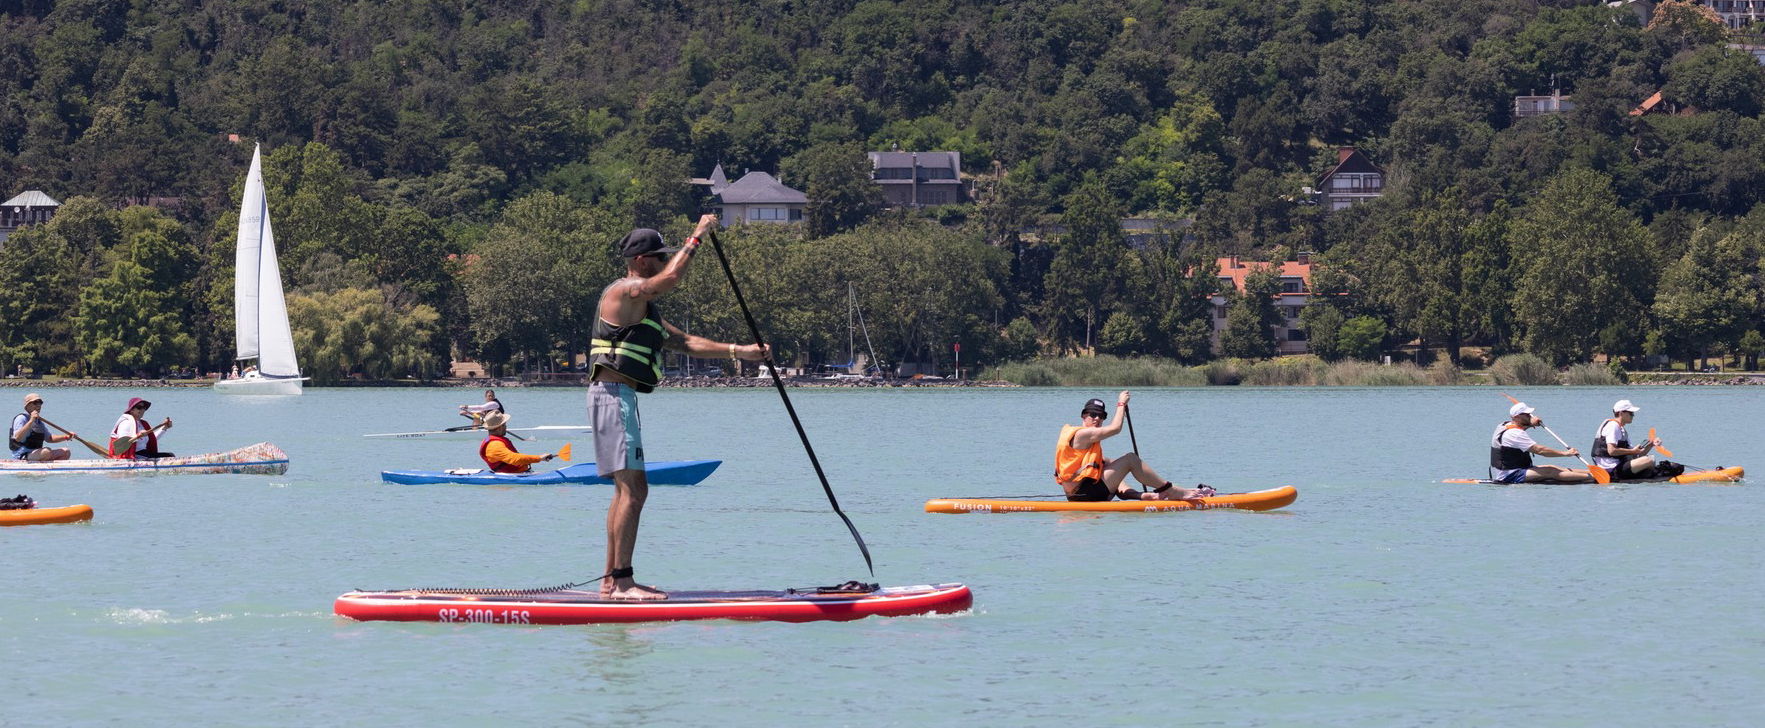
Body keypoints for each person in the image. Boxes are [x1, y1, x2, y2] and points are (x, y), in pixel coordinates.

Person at [589, 215, 768, 600]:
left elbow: (686, 343)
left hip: (620, 398)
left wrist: (742, 352)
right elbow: (669, 280)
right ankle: (622, 583)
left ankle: (611, 579)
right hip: (612, 396)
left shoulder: (644, 312)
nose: (663, 263)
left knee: (625, 492)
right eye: (658, 257)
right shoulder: (625, 291)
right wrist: (697, 237)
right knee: (635, 491)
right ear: (640, 261)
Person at [1053, 392, 1216, 502]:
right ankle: (1170, 490)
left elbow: (1110, 468)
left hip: (1085, 494)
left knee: (1107, 463)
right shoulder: (1082, 434)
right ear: (1083, 416)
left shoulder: (1086, 442)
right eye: (1092, 415)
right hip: (1085, 495)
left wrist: (1140, 494)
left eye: (1101, 416)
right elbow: (1116, 428)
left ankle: (1145, 495)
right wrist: (1121, 404)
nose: (1097, 419)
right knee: (1130, 459)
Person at [1489, 402, 1589, 483]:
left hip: (1508, 470)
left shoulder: (1504, 425)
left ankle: (1592, 473)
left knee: (1553, 467)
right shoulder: (1515, 434)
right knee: (1550, 471)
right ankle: (1593, 478)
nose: (1530, 416)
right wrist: (1566, 453)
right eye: (1527, 415)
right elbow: (1540, 450)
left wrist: (1529, 424)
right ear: (1517, 417)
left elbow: (1519, 428)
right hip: (1508, 475)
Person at [1591, 399, 1681, 480]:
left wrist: (1651, 444)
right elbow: (1612, 451)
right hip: (1610, 470)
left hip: (1617, 467)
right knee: (1650, 459)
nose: (1633, 415)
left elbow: (1637, 455)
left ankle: (1651, 474)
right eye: (1631, 413)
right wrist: (1633, 451)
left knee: (1648, 460)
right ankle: (1654, 475)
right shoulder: (1613, 426)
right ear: (1621, 413)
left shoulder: (1622, 430)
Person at [478, 412, 556, 473]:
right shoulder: (494, 445)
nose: (506, 427)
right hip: (510, 480)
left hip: (517, 473)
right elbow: (514, 459)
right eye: (504, 425)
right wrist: (539, 458)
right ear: (499, 428)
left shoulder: (496, 441)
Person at [8, 393, 74, 461]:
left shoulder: (39, 422)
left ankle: (48, 470)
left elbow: (49, 438)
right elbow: (17, 438)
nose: (38, 405)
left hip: (37, 454)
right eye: (35, 402)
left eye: (40, 403)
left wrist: (66, 437)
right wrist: (31, 420)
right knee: (46, 452)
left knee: (66, 452)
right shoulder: (21, 418)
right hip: (22, 455)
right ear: (27, 405)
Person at [109, 397, 173, 459]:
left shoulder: (143, 424)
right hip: (133, 455)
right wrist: (138, 436)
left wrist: (165, 428)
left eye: (144, 408)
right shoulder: (126, 423)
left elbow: (152, 439)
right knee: (169, 457)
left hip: (144, 453)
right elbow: (122, 442)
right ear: (131, 410)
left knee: (170, 455)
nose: (142, 410)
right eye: (139, 407)